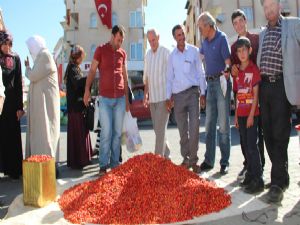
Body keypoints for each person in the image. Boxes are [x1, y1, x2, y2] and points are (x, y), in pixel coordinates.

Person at [257, 0, 300, 203]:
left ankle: (276, 185)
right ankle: (282, 177)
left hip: (282, 85)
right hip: (264, 87)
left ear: (279, 6)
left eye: (271, 5)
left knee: (281, 134)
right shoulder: (263, 32)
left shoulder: (292, 25)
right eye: (265, 7)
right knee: (268, 135)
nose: (268, 10)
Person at [83, 25, 130, 176]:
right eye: (118, 40)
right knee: (106, 133)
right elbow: (91, 71)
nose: (119, 43)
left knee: (117, 133)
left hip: (120, 100)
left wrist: (127, 99)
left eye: (122, 41)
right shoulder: (100, 50)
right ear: (112, 36)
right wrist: (87, 90)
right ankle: (103, 166)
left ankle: (115, 165)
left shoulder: (123, 53)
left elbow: (125, 75)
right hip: (105, 99)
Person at [166, 24, 206, 173]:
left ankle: (194, 160)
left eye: (182, 34)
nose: (181, 37)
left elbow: (201, 73)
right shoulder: (172, 56)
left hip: (193, 93)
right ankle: (186, 158)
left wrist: (203, 93)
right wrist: (168, 97)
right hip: (178, 97)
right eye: (178, 35)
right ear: (174, 38)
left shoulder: (195, 51)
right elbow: (169, 78)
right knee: (183, 130)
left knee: (194, 127)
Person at [230, 9, 265, 180]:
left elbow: (258, 64)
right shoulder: (233, 47)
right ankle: (249, 166)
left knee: (258, 133)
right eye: (234, 23)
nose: (238, 25)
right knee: (245, 137)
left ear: (246, 20)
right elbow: (234, 71)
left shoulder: (256, 40)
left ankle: (260, 167)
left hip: (258, 89)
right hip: (242, 95)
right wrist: (232, 70)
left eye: (240, 21)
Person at [197, 12, 232, 175]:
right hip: (209, 84)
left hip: (221, 83)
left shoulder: (222, 38)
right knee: (209, 124)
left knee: (223, 124)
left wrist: (225, 75)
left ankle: (224, 162)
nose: (199, 30)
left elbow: (228, 62)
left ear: (208, 25)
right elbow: (198, 59)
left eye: (200, 27)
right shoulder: (204, 42)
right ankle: (209, 161)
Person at [234, 37, 264, 194]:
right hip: (241, 115)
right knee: (246, 147)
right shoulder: (238, 72)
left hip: (252, 115)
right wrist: (237, 116)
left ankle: (258, 180)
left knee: (253, 147)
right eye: (239, 51)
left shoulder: (254, 70)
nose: (242, 53)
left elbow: (256, 95)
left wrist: (252, 115)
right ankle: (250, 175)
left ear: (250, 50)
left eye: (244, 50)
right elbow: (238, 94)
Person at [24, 35, 60, 163]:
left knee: (46, 136)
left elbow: (33, 76)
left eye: (31, 48)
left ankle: (47, 166)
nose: (30, 51)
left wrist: (27, 68)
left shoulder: (45, 56)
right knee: (42, 134)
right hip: (43, 106)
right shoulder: (40, 58)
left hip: (46, 107)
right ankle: (40, 164)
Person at [143, 29, 171, 158]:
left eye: (153, 40)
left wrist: (171, 97)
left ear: (158, 37)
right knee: (157, 130)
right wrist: (145, 95)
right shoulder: (147, 55)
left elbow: (172, 76)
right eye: (149, 41)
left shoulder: (166, 52)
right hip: (152, 99)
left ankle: (157, 159)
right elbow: (146, 77)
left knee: (160, 130)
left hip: (164, 98)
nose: (152, 43)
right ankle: (167, 152)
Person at [0, 30, 24, 179]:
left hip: (11, 103)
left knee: (12, 137)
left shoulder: (15, 58)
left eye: (10, 43)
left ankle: (14, 170)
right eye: (4, 43)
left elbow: (19, 84)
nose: (7, 46)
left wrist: (20, 107)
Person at [65, 45, 92, 169]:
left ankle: (79, 159)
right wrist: (90, 77)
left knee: (79, 133)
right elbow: (77, 83)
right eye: (82, 56)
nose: (83, 58)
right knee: (79, 133)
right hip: (75, 107)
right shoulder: (72, 68)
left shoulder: (74, 67)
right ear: (78, 57)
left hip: (76, 107)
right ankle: (79, 160)